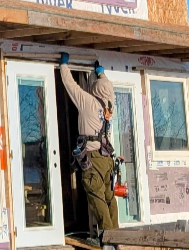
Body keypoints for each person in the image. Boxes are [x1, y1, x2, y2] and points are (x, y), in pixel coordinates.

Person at [58, 53, 118, 242]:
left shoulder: (88, 103)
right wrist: (100, 73)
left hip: (93, 157)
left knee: (96, 194)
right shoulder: (109, 105)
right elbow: (104, 84)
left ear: (94, 90)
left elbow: (71, 86)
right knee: (109, 197)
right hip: (107, 157)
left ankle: (107, 237)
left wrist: (64, 65)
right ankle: (117, 236)